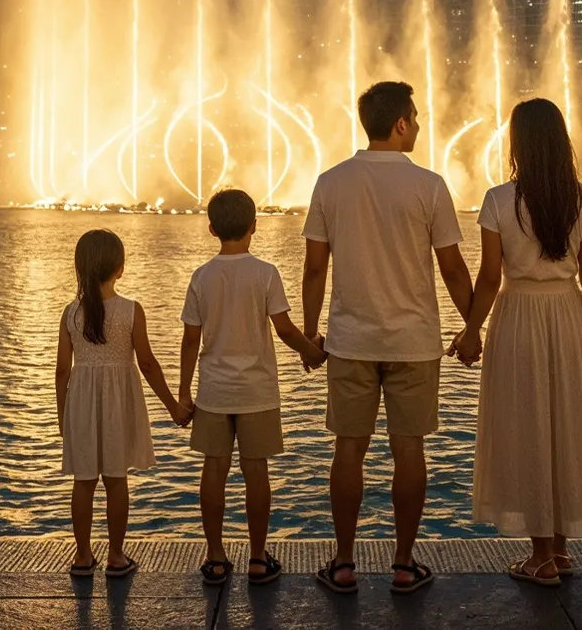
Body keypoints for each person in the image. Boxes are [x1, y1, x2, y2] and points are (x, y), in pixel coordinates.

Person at [301, 81, 472, 596]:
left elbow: (314, 268)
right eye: (415, 118)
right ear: (400, 124)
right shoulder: (430, 186)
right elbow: (452, 267)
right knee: (409, 450)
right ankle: (403, 564)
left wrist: (311, 334)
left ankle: (345, 564)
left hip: (350, 339)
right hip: (413, 342)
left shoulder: (330, 182)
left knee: (347, 450)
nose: (418, 125)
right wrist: (473, 324)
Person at [456, 97, 582, 585]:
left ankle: (540, 556)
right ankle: (561, 549)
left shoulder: (499, 200)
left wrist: (471, 329)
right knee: (566, 421)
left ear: (518, 144)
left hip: (519, 315)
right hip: (568, 316)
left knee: (529, 425)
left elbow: (487, 278)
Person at [179, 189, 327, 587]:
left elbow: (191, 340)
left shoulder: (201, 276)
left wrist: (182, 392)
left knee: (214, 470)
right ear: (254, 226)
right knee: (255, 472)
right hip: (257, 390)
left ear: (211, 228)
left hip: (213, 391)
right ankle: (258, 557)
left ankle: (215, 557)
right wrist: (313, 354)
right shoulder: (266, 273)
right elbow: (284, 330)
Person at [56, 229, 189, 579]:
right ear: (120, 268)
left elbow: (60, 371)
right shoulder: (131, 311)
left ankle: (83, 557)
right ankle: (116, 556)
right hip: (118, 404)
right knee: (116, 480)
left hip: (81, 403)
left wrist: (62, 418)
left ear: (80, 267)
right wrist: (173, 406)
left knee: (83, 482)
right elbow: (147, 363)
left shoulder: (71, 314)